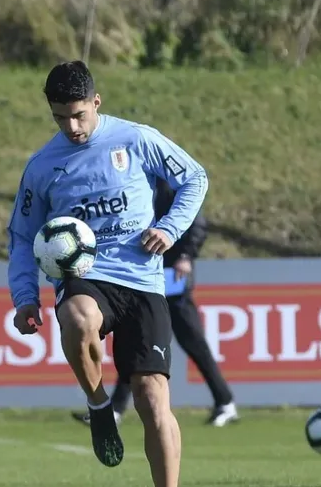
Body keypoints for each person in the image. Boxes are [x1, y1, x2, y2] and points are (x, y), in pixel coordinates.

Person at [6, 61, 208, 487]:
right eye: (60, 118)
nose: (71, 127)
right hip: (85, 278)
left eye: (78, 115)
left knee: (152, 401)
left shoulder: (136, 139)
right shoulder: (42, 167)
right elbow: (20, 236)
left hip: (142, 281)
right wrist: (25, 297)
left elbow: (194, 179)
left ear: (96, 103)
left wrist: (171, 228)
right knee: (76, 318)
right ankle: (98, 405)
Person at [71, 178, 238, 428]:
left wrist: (186, 255)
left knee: (194, 344)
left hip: (172, 281)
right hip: (143, 280)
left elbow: (197, 222)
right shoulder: (130, 186)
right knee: (137, 346)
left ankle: (225, 402)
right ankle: (115, 409)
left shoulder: (168, 186)